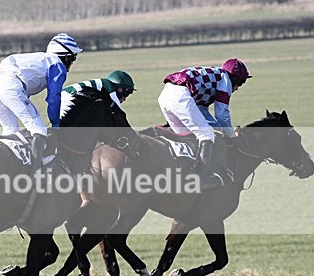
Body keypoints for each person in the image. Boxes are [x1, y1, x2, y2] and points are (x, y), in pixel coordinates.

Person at [0, 33, 83, 171]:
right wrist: (55, 123)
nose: (72, 62)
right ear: (66, 56)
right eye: (73, 58)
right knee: (39, 130)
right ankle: (35, 174)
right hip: (11, 87)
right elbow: (54, 98)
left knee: (10, 130)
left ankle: (3, 166)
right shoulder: (57, 65)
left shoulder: (41, 59)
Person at [157, 58, 252, 189]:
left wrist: (221, 130)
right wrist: (231, 136)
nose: (237, 88)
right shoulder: (225, 79)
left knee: (188, 137)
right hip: (180, 95)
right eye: (240, 83)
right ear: (235, 78)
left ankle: (184, 173)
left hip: (165, 96)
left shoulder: (212, 79)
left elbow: (202, 113)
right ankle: (203, 178)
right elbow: (222, 114)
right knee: (206, 135)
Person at [61, 70, 136, 117]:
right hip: (70, 99)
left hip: (63, 96)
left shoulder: (103, 84)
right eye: (126, 94)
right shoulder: (111, 90)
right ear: (120, 89)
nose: (125, 99)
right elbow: (118, 115)